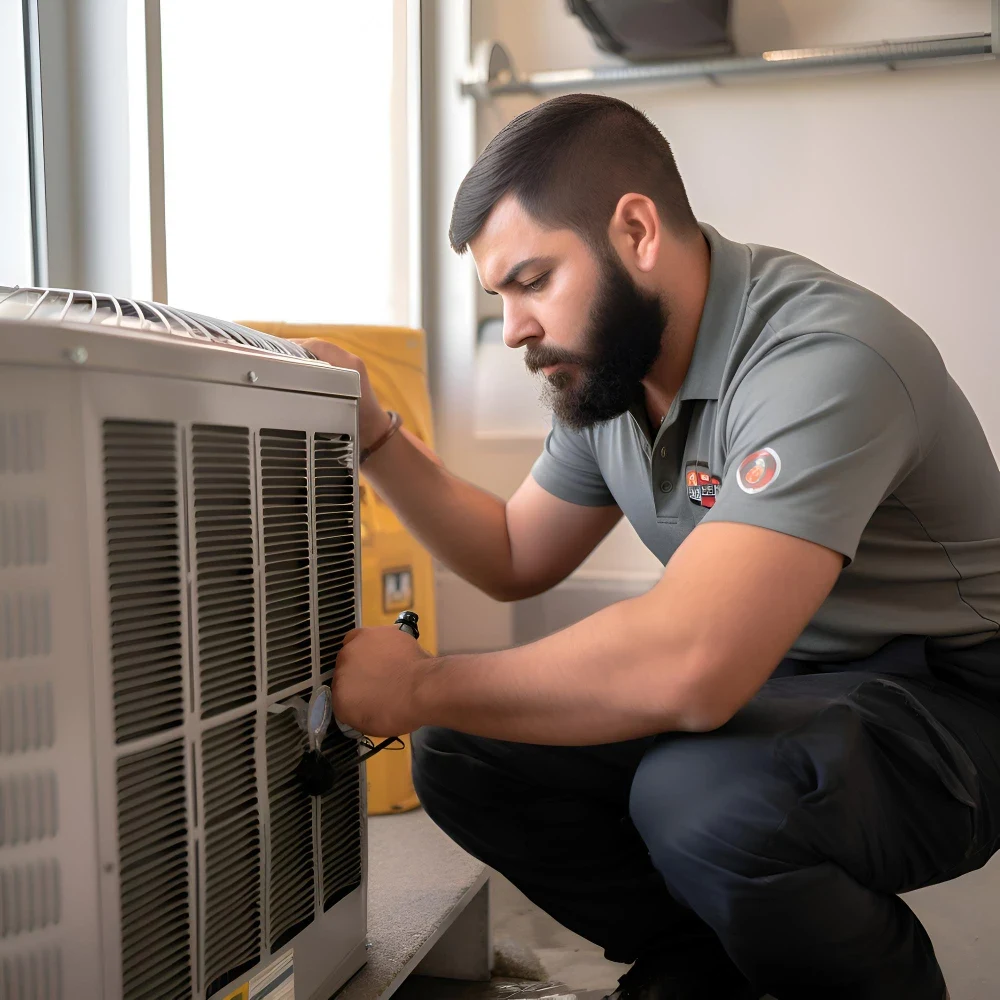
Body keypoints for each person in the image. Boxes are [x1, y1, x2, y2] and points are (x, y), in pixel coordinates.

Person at [304, 94, 1000, 1000]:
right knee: (464, 750)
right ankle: (703, 958)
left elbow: (694, 663)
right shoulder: (616, 375)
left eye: (533, 281)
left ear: (635, 230)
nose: (513, 326)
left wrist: (423, 683)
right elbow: (517, 553)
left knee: (700, 797)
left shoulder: (827, 355)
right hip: (786, 678)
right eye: (499, 296)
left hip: (954, 702)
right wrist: (377, 439)